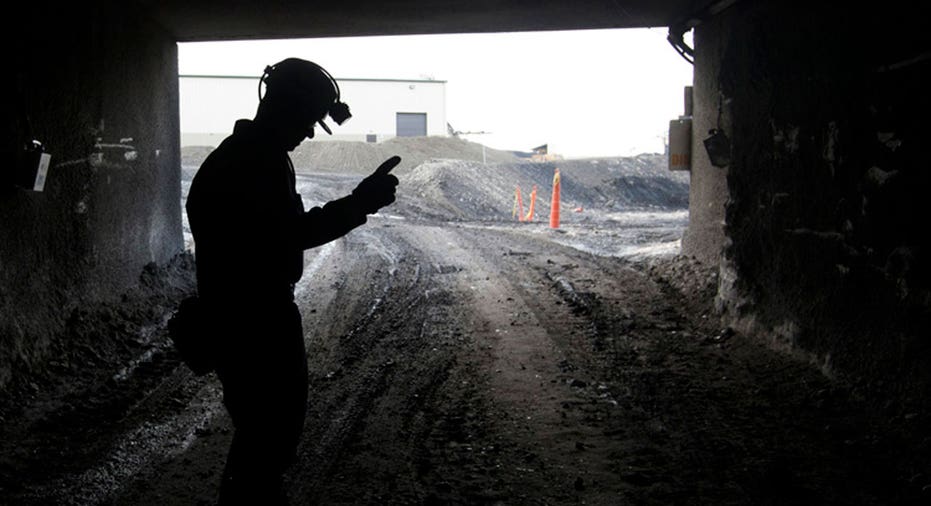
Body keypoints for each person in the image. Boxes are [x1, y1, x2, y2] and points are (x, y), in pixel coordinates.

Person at [185, 57, 400, 505]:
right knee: (267, 440)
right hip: (256, 322)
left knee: (262, 438)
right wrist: (360, 203)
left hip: (242, 317)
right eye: (307, 120)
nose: (309, 133)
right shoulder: (253, 162)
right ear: (284, 107)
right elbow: (289, 234)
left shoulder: (246, 156)